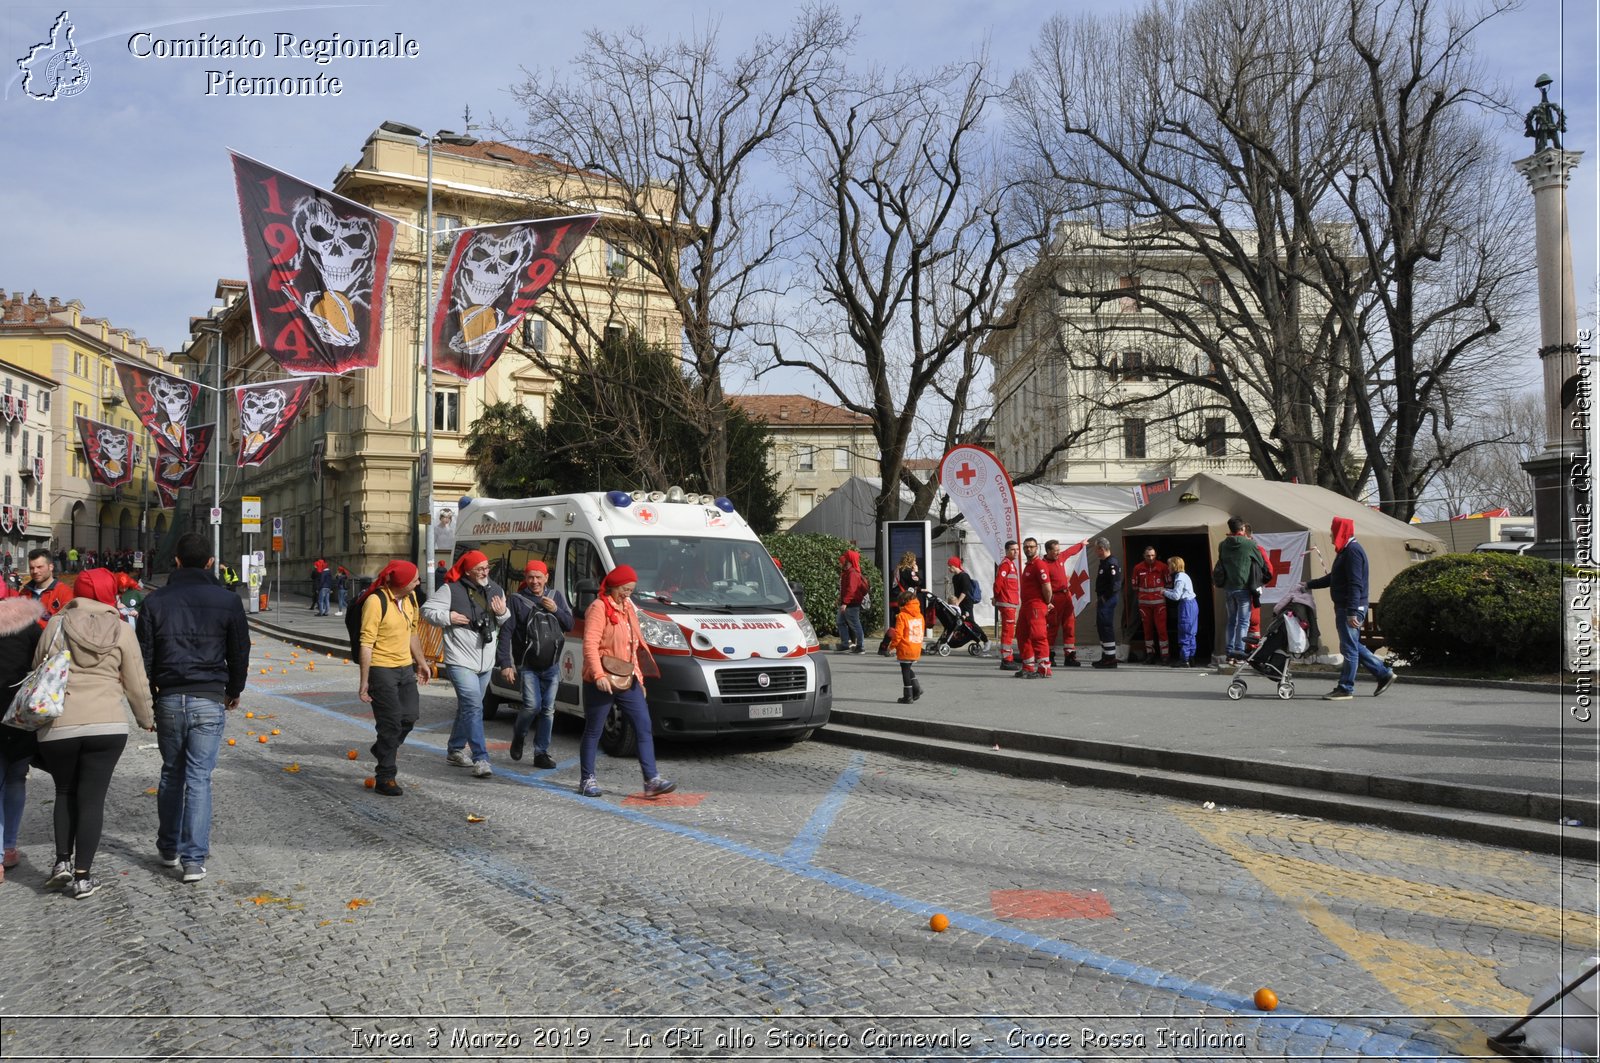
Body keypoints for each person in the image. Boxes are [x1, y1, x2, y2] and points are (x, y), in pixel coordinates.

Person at [137, 532, 251, 884]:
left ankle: (168, 848)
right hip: (209, 696)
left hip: (170, 696)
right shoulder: (228, 601)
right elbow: (239, 651)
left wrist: (152, 701)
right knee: (199, 777)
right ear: (210, 563)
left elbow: (145, 657)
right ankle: (194, 860)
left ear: (175, 561)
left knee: (172, 773)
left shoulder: (154, 602)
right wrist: (233, 690)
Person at [33, 569, 154, 899]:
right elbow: (136, 681)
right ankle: (83, 877)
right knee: (92, 799)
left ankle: (61, 862)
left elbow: (37, 669)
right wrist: (146, 719)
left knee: (64, 791)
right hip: (107, 726)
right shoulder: (121, 628)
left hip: (60, 724)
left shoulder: (57, 624)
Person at [578, 565, 674, 799]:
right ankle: (586, 779)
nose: (627, 594)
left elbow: (634, 646)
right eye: (624, 589)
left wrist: (639, 678)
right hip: (602, 679)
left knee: (643, 725)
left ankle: (651, 780)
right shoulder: (598, 608)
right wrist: (599, 675)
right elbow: (590, 645)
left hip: (627, 677)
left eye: (631, 590)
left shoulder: (628, 607)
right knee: (594, 730)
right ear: (613, 586)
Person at [422, 550, 510, 778]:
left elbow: (502, 621)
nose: (484, 572)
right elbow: (427, 611)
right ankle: (481, 758)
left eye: (486, 568)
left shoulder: (496, 589)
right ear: (468, 571)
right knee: (473, 707)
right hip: (460, 659)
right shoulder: (451, 590)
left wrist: (502, 614)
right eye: (479, 569)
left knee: (468, 707)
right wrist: (448, 618)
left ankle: (455, 750)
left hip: (485, 661)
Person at [357, 560, 431, 795]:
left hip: (404, 667)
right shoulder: (375, 602)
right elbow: (366, 644)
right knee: (390, 723)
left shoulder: (411, 599)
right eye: (414, 580)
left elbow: (412, 633)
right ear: (402, 583)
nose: (418, 583)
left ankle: (382, 748)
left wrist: (421, 662)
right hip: (381, 669)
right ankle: (385, 777)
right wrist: (364, 682)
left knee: (410, 716)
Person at [1307, 517, 1397, 701]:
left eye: (1333, 532)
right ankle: (1383, 674)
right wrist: (1309, 584)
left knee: (1348, 648)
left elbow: (1355, 584)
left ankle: (1345, 687)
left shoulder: (1353, 552)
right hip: (1346, 606)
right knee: (1354, 645)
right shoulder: (1345, 551)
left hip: (1349, 607)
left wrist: (1352, 612)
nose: (1331, 536)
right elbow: (1335, 577)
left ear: (1341, 532)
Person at [496, 560, 573, 767]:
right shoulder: (517, 600)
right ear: (525, 578)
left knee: (548, 709)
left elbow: (570, 624)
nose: (535, 581)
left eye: (539, 577)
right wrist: (505, 663)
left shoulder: (556, 597)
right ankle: (519, 736)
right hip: (527, 664)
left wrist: (556, 609)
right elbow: (506, 632)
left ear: (546, 577)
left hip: (552, 665)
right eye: (530, 577)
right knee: (532, 706)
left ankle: (541, 753)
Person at [0, 586, 44, 884]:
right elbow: (41, 664)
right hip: (18, 714)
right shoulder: (29, 628)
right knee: (15, 779)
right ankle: (9, 846)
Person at [1216, 517, 1265, 664]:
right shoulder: (1249, 544)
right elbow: (1260, 562)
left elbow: (1222, 562)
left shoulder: (1222, 545)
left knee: (1231, 621)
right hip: (1243, 587)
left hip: (1228, 588)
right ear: (1242, 529)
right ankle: (1239, 653)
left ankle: (1230, 653)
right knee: (1243, 622)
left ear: (1230, 529)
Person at [1016, 537, 1053, 679]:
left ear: (1036, 548)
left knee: (1038, 636)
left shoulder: (1039, 565)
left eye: (1031, 546)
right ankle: (1028, 666)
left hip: (1036, 605)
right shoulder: (1029, 565)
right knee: (1022, 635)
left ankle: (1044, 669)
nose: (1028, 549)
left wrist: (1046, 602)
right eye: (1026, 547)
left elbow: (1047, 588)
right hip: (1026, 605)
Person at [1042, 539, 1082, 668]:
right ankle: (1049, 654)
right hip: (1055, 597)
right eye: (1056, 551)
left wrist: (1082, 544)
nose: (1059, 553)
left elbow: (1070, 552)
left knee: (1070, 625)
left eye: (1059, 550)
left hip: (1066, 595)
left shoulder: (1060, 557)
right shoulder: (1043, 564)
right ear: (1048, 551)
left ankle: (1070, 655)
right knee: (1052, 627)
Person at [1130, 545, 1171, 664]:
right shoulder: (1138, 568)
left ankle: (1165, 655)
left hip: (1159, 605)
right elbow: (1134, 586)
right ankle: (1150, 655)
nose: (1151, 558)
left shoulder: (1163, 567)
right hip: (1144, 605)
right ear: (1144, 556)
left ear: (1156, 555)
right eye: (1148, 556)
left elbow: (1169, 584)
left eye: (1153, 555)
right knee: (1147, 631)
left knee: (1161, 630)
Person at [877, 552, 924, 655]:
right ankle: (910, 645)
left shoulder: (897, 570)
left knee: (894, 624)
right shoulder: (907, 571)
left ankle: (883, 646)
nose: (915, 562)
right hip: (903, 601)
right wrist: (916, 572)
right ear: (910, 560)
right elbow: (917, 582)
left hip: (895, 599)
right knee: (907, 623)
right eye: (914, 560)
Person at [1089, 537, 1121, 669]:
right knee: (1101, 626)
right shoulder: (1104, 562)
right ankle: (1105, 655)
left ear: (1101, 549)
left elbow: (1115, 585)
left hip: (1108, 599)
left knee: (1106, 626)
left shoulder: (1111, 563)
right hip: (1104, 598)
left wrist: (1104, 598)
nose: (1095, 552)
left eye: (1096, 550)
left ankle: (1110, 658)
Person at [889, 588, 925, 704]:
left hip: (905, 647)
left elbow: (898, 634)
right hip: (916, 646)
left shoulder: (902, 616)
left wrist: (891, 646)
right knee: (908, 669)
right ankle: (917, 688)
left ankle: (908, 696)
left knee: (905, 671)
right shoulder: (920, 615)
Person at [1162, 556, 1198, 667]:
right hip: (1193, 604)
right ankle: (1191, 658)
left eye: (1169, 565)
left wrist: (1164, 592)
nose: (1168, 568)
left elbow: (1176, 596)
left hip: (1186, 605)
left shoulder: (1179, 577)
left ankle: (1184, 660)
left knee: (1184, 631)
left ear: (1173, 566)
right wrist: (1167, 589)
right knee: (1191, 632)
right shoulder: (1185, 576)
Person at [24, 547, 73, 628]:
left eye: (39, 567)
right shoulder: (24, 592)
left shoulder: (65, 592)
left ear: (51, 567)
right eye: (31, 568)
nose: (35, 571)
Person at [993, 540, 1020, 671]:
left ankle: (1008, 656)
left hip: (1011, 602)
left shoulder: (1011, 564)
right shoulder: (1006, 564)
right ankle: (1006, 659)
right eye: (1013, 549)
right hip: (1007, 602)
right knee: (1008, 631)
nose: (1016, 552)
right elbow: (998, 583)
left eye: (1017, 549)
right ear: (1007, 551)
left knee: (1010, 630)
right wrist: (996, 597)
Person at [836, 551, 868, 654]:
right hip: (848, 603)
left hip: (851, 603)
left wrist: (845, 602)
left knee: (855, 624)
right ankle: (846, 644)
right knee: (841, 622)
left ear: (848, 561)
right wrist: (840, 599)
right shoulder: (848, 572)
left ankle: (860, 646)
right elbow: (847, 589)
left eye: (844, 558)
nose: (841, 561)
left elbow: (851, 590)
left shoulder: (852, 573)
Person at [945, 557, 975, 623]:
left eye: (950, 566)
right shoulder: (954, 577)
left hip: (966, 603)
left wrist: (958, 602)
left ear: (955, 565)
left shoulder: (964, 576)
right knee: (960, 621)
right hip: (958, 603)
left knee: (969, 621)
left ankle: (978, 633)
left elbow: (965, 591)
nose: (948, 568)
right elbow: (957, 592)